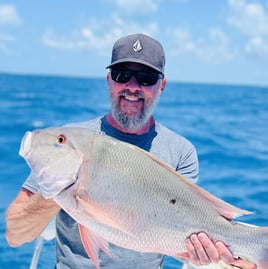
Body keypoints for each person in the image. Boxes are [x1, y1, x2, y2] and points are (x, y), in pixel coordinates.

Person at [6, 33, 256, 269]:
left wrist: (207, 251)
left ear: (162, 85)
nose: (132, 86)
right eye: (121, 74)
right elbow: (16, 235)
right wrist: (60, 191)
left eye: (146, 78)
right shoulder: (75, 138)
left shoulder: (181, 151)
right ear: (109, 80)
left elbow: (183, 229)